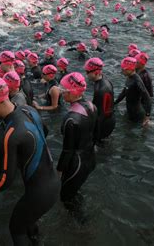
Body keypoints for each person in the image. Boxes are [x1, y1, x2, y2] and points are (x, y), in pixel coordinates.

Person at [0, 76, 59, 245]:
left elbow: (6, 180)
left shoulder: (12, 133)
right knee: (29, 222)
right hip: (51, 181)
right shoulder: (28, 109)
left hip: (39, 192)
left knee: (16, 230)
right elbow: (44, 131)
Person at [57, 72, 97, 210]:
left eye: (64, 90)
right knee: (74, 190)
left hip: (77, 164)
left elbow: (67, 150)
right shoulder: (92, 105)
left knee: (65, 198)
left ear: (73, 92)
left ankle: (82, 227)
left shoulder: (71, 119)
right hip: (90, 158)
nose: (62, 93)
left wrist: (59, 170)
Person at [84, 58, 115, 146]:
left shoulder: (101, 89)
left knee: (99, 147)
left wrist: (95, 136)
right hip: (109, 119)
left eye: (87, 72)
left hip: (104, 123)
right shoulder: (103, 81)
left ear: (96, 72)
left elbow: (101, 115)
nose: (86, 75)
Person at [114, 57, 152, 125]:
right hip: (130, 111)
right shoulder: (129, 77)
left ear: (130, 69)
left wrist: (147, 116)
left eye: (124, 69)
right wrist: (115, 103)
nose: (122, 71)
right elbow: (124, 92)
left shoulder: (137, 81)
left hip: (137, 114)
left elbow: (148, 98)